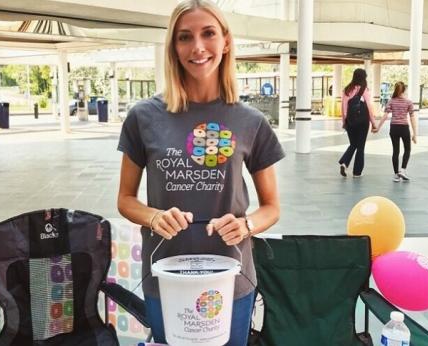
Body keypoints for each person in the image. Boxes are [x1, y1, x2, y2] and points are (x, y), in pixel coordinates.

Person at [116, 1, 285, 345]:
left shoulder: (251, 121)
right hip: (166, 275)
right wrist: (153, 217)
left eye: (208, 33)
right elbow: (125, 200)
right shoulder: (144, 117)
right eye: (184, 37)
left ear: (225, 42)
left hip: (230, 276)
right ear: (173, 48)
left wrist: (246, 224)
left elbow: (272, 207)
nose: (197, 47)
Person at [373, 81, 417, 182]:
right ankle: (403, 170)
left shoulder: (391, 101)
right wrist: (415, 134)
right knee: (407, 149)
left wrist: (378, 127)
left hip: (394, 128)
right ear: (404, 90)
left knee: (395, 151)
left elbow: (385, 116)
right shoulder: (408, 102)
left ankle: (396, 175)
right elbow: (412, 118)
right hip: (404, 128)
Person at [338, 68, 378, 177]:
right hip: (363, 122)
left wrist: (344, 121)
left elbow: (343, 107)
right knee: (360, 147)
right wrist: (373, 123)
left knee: (353, 144)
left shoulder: (347, 90)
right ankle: (357, 172)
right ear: (363, 77)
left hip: (350, 122)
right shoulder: (364, 89)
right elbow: (369, 107)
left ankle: (345, 163)